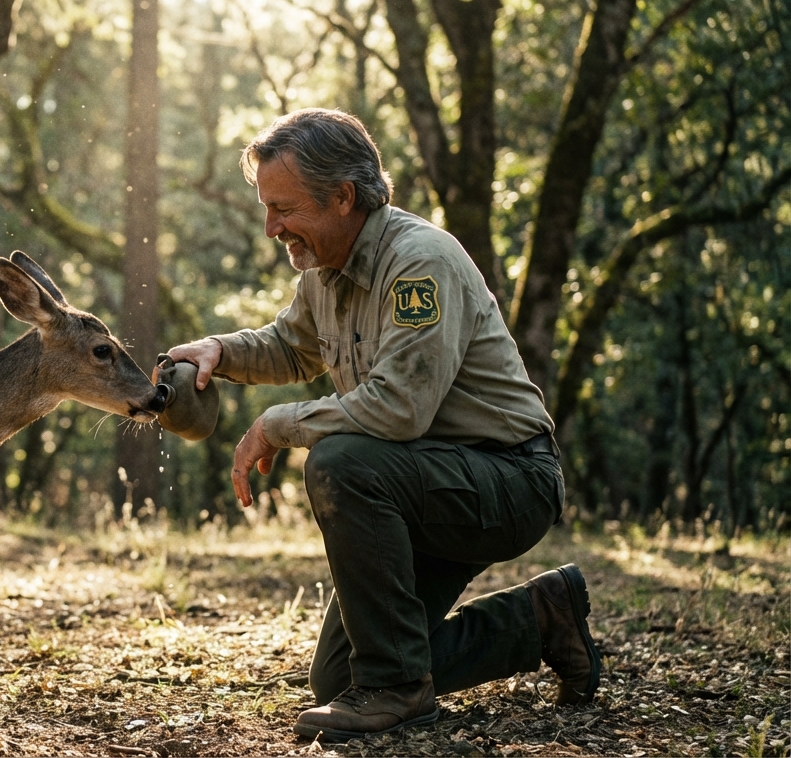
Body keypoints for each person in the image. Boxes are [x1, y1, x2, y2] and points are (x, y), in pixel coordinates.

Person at [165, 108, 601, 742]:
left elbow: (399, 409)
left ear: (343, 197)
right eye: (267, 208)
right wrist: (219, 351)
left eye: (283, 208)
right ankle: (540, 619)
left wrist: (279, 425)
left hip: (509, 479)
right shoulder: (324, 270)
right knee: (341, 679)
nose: (271, 227)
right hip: (420, 484)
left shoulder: (419, 261)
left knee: (342, 462)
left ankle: (398, 690)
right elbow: (291, 347)